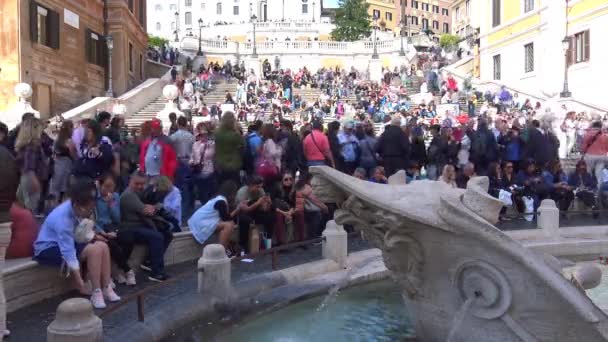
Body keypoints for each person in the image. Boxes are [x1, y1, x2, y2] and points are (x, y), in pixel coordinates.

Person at [34, 177, 121, 309]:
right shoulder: (63, 219)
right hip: (47, 248)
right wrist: (78, 279)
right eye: (89, 208)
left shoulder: (77, 208)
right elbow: (68, 250)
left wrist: (94, 237)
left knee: (102, 245)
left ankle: (106, 287)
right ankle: (96, 292)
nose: (91, 211)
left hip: (64, 242)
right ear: (79, 207)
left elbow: (81, 232)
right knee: (94, 250)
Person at [119, 171, 171, 282]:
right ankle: (156, 272)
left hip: (140, 225)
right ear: (130, 181)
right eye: (136, 183)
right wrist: (154, 207)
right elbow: (148, 212)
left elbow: (152, 207)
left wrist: (153, 206)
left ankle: (149, 261)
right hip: (129, 228)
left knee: (167, 233)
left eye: (142, 184)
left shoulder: (139, 193)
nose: (139, 186)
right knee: (156, 237)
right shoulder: (128, 195)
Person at [95, 174, 136, 286]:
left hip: (113, 226)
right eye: (106, 186)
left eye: (111, 187)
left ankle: (118, 270)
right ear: (100, 185)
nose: (109, 189)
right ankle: (128, 270)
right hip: (100, 228)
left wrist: (111, 204)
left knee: (129, 238)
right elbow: (94, 220)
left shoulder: (115, 196)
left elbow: (117, 219)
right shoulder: (94, 198)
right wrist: (104, 232)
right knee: (112, 243)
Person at [188, 181, 240, 254]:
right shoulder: (221, 201)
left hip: (200, 222)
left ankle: (225, 249)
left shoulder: (218, 198)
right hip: (201, 224)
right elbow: (226, 218)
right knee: (229, 224)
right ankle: (220, 251)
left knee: (229, 224)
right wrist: (238, 209)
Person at [14, 117, 49, 213]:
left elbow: (21, 165)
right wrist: (35, 181)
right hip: (32, 178)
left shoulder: (23, 146)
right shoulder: (33, 146)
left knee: (24, 206)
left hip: (25, 177)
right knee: (31, 208)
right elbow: (30, 167)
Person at [235, 176, 274, 253]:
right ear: (250, 185)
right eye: (257, 187)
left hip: (255, 212)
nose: (259, 189)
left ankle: (268, 242)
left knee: (270, 217)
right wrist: (258, 203)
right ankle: (243, 246)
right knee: (244, 220)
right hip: (242, 213)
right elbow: (245, 210)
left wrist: (269, 203)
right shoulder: (242, 192)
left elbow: (265, 209)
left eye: (260, 187)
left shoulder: (261, 190)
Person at [170, 116, 195, 218]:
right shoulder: (191, 136)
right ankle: (189, 209)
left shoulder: (174, 136)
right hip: (189, 162)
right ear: (186, 124)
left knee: (179, 188)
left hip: (178, 162)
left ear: (178, 124)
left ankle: (181, 211)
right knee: (189, 188)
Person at [50, 120, 77, 203]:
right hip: (67, 166)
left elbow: (53, 153)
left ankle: (55, 203)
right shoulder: (69, 141)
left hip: (57, 166)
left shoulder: (57, 140)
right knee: (64, 187)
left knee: (56, 187)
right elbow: (73, 155)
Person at [214, 112, 244, 185]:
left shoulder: (216, 133)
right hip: (233, 164)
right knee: (234, 186)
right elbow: (242, 146)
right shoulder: (235, 135)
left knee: (221, 185)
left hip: (220, 163)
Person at [581, 121, 608, 188]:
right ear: (600, 126)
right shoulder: (605, 135)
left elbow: (584, 145)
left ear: (593, 126)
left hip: (590, 155)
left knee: (588, 172)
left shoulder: (588, 134)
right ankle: (599, 189)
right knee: (599, 173)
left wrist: (583, 152)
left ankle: (588, 187)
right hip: (602, 156)